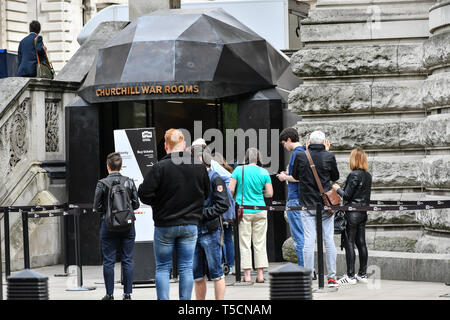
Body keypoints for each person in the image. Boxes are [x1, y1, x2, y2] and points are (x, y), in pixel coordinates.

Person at [138, 129, 210, 300]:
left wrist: (159, 203)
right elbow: (206, 193)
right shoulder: (199, 166)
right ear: (184, 145)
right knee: (186, 267)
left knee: (163, 267)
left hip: (165, 224)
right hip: (190, 224)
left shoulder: (159, 167)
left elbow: (143, 193)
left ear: (165, 146)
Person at [292, 130, 340, 287]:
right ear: (324, 142)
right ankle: (332, 276)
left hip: (307, 204)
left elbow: (295, 175)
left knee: (308, 240)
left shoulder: (301, 155)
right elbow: (335, 177)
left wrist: (307, 152)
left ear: (309, 142)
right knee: (328, 239)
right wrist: (326, 154)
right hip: (326, 205)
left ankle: (308, 275)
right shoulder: (329, 156)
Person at [93, 152, 140, 300]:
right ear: (121, 166)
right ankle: (127, 294)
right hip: (127, 225)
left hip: (108, 226)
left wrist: (107, 213)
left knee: (108, 261)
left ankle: (109, 294)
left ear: (108, 167)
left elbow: (97, 206)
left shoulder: (102, 183)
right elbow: (136, 204)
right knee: (127, 259)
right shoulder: (129, 182)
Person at [191, 138, 236, 274]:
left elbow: (228, 179)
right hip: (197, 225)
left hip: (210, 222)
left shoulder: (214, 172)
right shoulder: (194, 174)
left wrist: (227, 192)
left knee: (216, 270)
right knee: (197, 273)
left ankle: (229, 265)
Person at [229, 148, 273, 283]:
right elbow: (270, 193)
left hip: (244, 211)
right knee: (260, 243)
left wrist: (235, 197)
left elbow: (230, 189)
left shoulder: (238, 170)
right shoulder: (264, 171)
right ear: (259, 158)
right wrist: (260, 194)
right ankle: (260, 275)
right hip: (260, 209)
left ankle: (247, 276)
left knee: (244, 243)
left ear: (246, 158)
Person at [191, 146, 229, 300]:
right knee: (197, 274)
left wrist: (201, 214)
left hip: (211, 231)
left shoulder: (215, 178)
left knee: (217, 273)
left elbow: (222, 204)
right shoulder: (193, 180)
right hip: (194, 231)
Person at [333, 147, 372, 285]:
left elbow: (347, 195)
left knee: (349, 242)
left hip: (352, 213)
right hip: (363, 213)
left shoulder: (354, 175)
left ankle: (350, 276)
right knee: (361, 243)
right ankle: (362, 273)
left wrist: (337, 189)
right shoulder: (368, 175)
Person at [277, 128, 306, 267]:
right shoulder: (306, 151)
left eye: (283, 143)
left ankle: (304, 269)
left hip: (295, 198)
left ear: (289, 140)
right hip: (305, 198)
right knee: (304, 236)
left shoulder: (296, 153)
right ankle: (309, 268)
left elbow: (297, 178)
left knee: (298, 237)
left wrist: (284, 177)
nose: (284, 146)